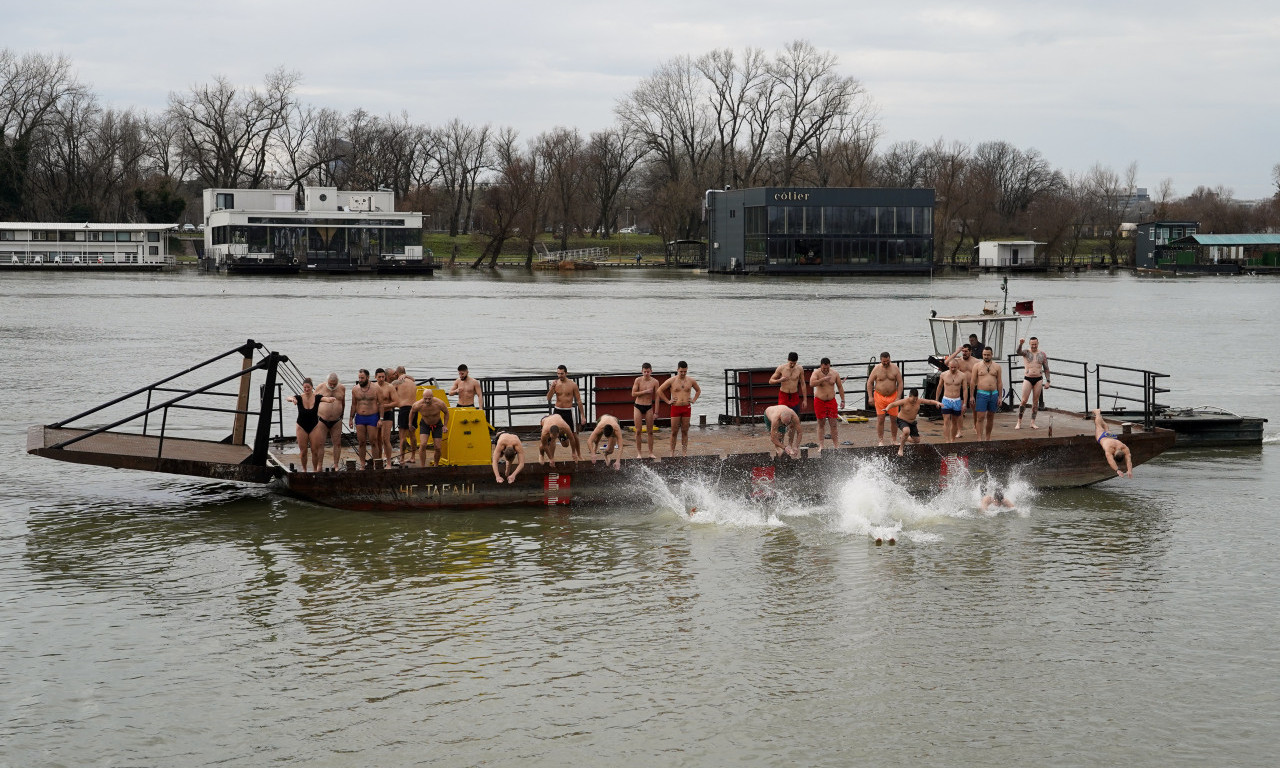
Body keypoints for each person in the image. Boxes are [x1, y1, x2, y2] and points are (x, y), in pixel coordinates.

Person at [286, 377, 337, 472]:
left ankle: (314, 470)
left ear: (312, 387)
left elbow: (325, 398)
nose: (306, 389)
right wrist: (292, 399)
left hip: (314, 426)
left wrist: (330, 399)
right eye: (304, 387)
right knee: (303, 451)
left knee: (315, 450)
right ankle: (304, 470)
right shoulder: (299, 398)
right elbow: (288, 398)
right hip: (301, 426)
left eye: (308, 387)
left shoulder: (317, 397)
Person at [657, 361, 701, 457]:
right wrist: (668, 401)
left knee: (685, 431)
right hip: (675, 408)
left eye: (685, 371)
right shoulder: (672, 380)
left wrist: (693, 400)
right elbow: (659, 390)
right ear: (677, 370)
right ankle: (672, 452)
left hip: (686, 408)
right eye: (681, 371)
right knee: (674, 431)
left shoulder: (691, 380)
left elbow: (698, 390)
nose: (683, 373)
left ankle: (684, 452)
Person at [882, 388, 942, 457]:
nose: (915, 401)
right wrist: (887, 408)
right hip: (902, 420)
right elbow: (893, 404)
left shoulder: (918, 401)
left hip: (912, 422)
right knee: (906, 431)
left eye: (916, 399)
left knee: (917, 440)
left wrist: (937, 402)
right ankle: (901, 448)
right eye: (913, 399)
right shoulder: (904, 401)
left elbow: (929, 402)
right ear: (910, 396)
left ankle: (904, 438)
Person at [809, 357, 845, 453]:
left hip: (831, 401)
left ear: (829, 366)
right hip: (820, 400)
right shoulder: (816, 373)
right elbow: (811, 383)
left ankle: (836, 445)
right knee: (821, 424)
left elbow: (840, 387)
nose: (826, 370)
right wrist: (823, 379)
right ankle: (821, 445)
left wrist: (843, 400)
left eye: (827, 368)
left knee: (833, 424)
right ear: (821, 366)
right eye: (824, 368)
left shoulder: (834, 373)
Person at [866, 352, 903, 446]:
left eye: (887, 361)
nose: (886, 363)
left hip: (893, 396)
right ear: (880, 360)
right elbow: (870, 383)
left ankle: (894, 439)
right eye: (884, 362)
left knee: (894, 419)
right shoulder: (876, 369)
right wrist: (870, 397)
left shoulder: (895, 368)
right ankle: (881, 440)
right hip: (879, 396)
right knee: (881, 419)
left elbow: (900, 383)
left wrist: (898, 397)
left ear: (890, 359)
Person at [1016, 336, 1051, 429]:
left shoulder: (1042, 354)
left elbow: (1046, 368)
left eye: (1035, 344)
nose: (1034, 346)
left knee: (1035, 402)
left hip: (1038, 379)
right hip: (1028, 378)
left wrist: (1048, 381)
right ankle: (1019, 422)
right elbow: (1018, 352)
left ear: (1038, 343)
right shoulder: (1026, 353)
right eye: (1032, 344)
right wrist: (1020, 344)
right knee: (1023, 400)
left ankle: (1032, 422)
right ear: (1029, 344)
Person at [945, 343, 980, 438]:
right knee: (960, 410)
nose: (964, 353)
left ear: (970, 352)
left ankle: (976, 426)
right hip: (961, 387)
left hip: (973, 387)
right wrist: (957, 351)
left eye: (966, 351)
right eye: (963, 351)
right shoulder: (958, 361)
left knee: (975, 409)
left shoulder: (976, 361)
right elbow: (947, 362)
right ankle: (959, 430)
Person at [348, 369, 380, 468]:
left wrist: (381, 419)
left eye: (362, 378)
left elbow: (381, 404)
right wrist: (350, 418)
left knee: (373, 441)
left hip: (372, 416)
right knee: (361, 442)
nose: (360, 380)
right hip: (360, 417)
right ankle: (362, 463)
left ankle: (375, 463)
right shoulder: (355, 389)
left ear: (368, 377)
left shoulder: (375, 388)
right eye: (359, 378)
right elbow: (353, 404)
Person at [971, 347, 1004, 442]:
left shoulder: (997, 366)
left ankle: (988, 438)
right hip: (981, 393)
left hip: (993, 394)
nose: (986, 356)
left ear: (992, 354)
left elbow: (999, 383)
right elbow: (973, 382)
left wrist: (1000, 397)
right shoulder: (977, 366)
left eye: (988, 355)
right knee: (980, 417)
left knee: (990, 417)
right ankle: (979, 439)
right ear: (982, 354)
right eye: (984, 354)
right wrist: (972, 396)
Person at [935, 357, 970, 444]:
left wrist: (965, 403)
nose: (953, 369)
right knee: (946, 421)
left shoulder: (962, 375)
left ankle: (953, 440)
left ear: (958, 367)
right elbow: (939, 387)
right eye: (951, 367)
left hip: (957, 400)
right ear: (949, 367)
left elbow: (965, 389)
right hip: (946, 399)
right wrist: (936, 400)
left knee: (954, 421)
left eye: (955, 367)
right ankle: (947, 440)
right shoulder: (943, 375)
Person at [411, 391, 451, 467]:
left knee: (438, 447)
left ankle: (436, 465)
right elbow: (412, 412)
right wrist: (410, 424)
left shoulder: (439, 403)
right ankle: (423, 466)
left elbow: (446, 412)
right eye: (425, 399)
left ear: (432, 397)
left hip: (437, 425)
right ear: (423, 397)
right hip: (425, 424)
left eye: (429, 399)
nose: (427, 401)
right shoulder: (418, 404)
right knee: (423, 444)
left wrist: (445, 425)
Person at [315, 372, 345, 470]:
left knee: (337, 443)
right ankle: (320, 465)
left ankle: (336, 465)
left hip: (336, 420)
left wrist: (342, 415)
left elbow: (343, 402)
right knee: (320, 443)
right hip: (322, 420)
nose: (332, 386)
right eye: (330, 383)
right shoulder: (320, 387)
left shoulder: (342, 388)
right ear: (327, 381)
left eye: (334, 384)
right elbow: (313, 402)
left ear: (337, 382)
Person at [631, 362, 662, 460]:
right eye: (644, 372)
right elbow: (633, 394)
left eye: (648, 372)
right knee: (638, 431)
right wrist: (645, 391)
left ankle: (650, 452)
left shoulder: (655, 382)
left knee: (650, 431)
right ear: (642, 371)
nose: (646, 373)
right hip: (638, 406)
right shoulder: (638, 380)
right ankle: (639, 453)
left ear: (651, 371)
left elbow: (657, 398)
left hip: (648, 406)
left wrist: (656, 412)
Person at [1092, 409, 1133, 478]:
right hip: (1103, 438)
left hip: (1112, 437)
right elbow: (1110, 460)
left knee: (1105, 428)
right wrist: (1117, 470)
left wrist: (1129, 470)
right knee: (1098, 425)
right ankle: (1097, 413)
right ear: (1114, 454)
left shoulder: (1124, 447)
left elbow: (1129, 459)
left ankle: (1100, 417)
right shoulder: (1110, 449)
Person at [392, 365, 418, 462]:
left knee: (402, 437)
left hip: (404, 409)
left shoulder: (397, 382)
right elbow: (414, 379)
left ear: (397, 373)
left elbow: (390, 393)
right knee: (412, 435)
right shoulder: (412, 381)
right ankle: (413, 457)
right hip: (414, 408)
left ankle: (402, 458)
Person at [546, 365, 584, 432]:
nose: (560, 375)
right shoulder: (555, 384)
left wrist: (583, 416)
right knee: (556, 432)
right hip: (557, 410)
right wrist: (552, 387)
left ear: (566, 373)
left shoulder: (573, 385)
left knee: (573, 433)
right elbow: (548, 398)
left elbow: (579, 401)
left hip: (568, 411)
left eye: (562, 373)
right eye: (558, 373)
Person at [373, 368, 397, 465]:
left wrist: (384, 406)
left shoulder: (390, 387)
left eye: (383, 377)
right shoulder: (372, 387)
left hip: (387, 413)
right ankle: (378, 461)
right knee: (376, 439)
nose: (381, 379)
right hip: (375, 414)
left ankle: (388, 462)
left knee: (385, 439)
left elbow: (396, 402)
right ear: (375, 377)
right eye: (379, 377)